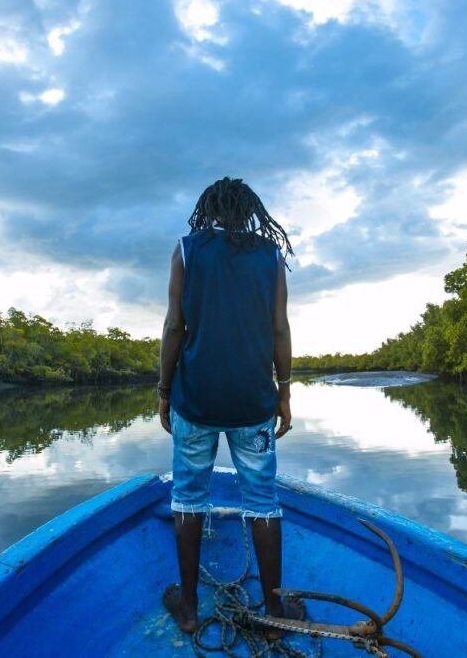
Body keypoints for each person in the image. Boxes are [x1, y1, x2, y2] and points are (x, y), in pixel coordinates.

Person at [157, 177, 303, 636]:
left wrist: (164, 390)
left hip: (196, 398)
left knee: (188, 498)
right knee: (262, 501)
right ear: (251, 211)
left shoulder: (186, 249)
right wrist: (284, 389)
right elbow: (279, 329)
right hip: (253, 400)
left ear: (210, 209)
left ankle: (190, 611)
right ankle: (275, 613)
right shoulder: (270, 256)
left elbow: (173, 327)